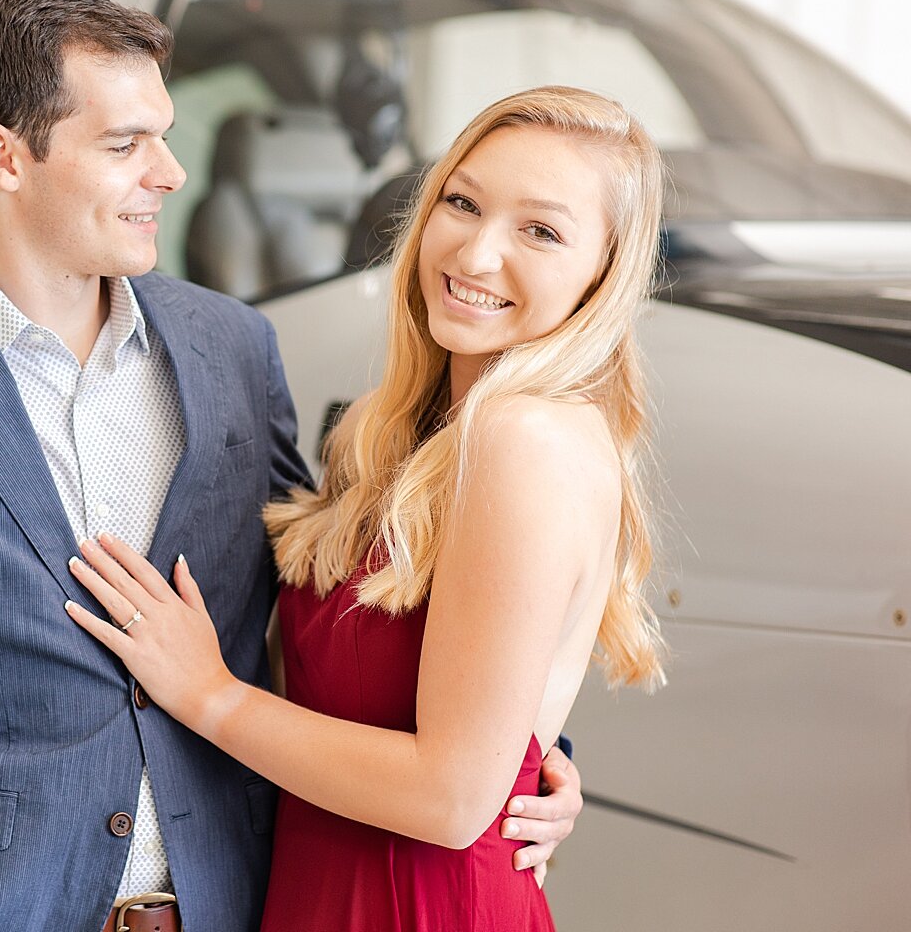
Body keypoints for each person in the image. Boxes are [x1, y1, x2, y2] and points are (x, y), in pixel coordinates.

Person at [0, 0, 581, 932]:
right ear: (2, 157)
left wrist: (528, 749)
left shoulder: (232, 347)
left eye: (164, 136)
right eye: (126, 144)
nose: (170, 174)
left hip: (240, 905)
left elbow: (341, 589)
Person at [66, 85, 667, 931]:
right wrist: (535, 760)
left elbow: (455, 799)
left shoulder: (523, 436)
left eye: (541, 230)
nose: (477, 252)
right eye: (462, 202)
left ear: (602, 273)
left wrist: (207, 694)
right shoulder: (406, 435)